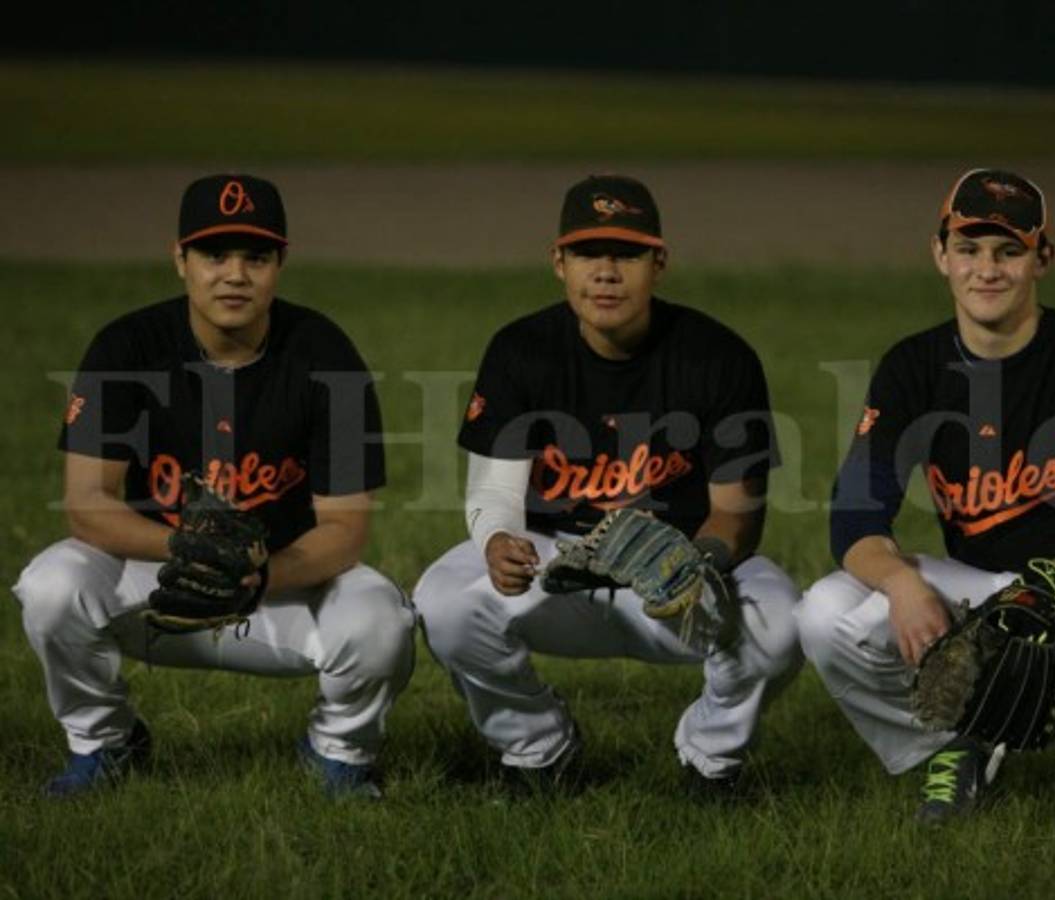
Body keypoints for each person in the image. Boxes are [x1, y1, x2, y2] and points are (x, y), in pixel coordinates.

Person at [13, 174, 415, 800]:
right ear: (180, 259)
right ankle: (105, 742)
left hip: (281, 585)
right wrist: (187, 550)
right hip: (160, 577)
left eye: (255, 257)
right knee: (51, 585)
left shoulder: (324, 354)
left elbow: (345, 531)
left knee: (380, 619)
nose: (234, 274)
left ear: (281, 263)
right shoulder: (127, 346)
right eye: (213, 254)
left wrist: (257, 576)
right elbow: (87, 506)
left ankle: (338, 751)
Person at [795, 168, 1055, 833]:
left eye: (1008, 251)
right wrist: (903, 583)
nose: (985, 269)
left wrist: (1044, 586)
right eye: (968, 249)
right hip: (978, 585)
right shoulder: (913, 366)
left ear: (1041, 258)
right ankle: (950, 748)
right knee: (827, 613)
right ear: (940, 255)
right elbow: (854, 514)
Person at [413, 174, 803, 791]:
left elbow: (738, 511)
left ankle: (710, 755)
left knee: (780, 621)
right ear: (559, 263)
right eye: (589, 253)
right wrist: (497, 543)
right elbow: (494, 494)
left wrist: (698, 563)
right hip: (556, 567)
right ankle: (537, 747)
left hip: (677, 578)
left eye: (626, 254)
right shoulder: (522, 351)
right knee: (443, 601)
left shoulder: (718, 357)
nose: (606, 271)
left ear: (659, 263)